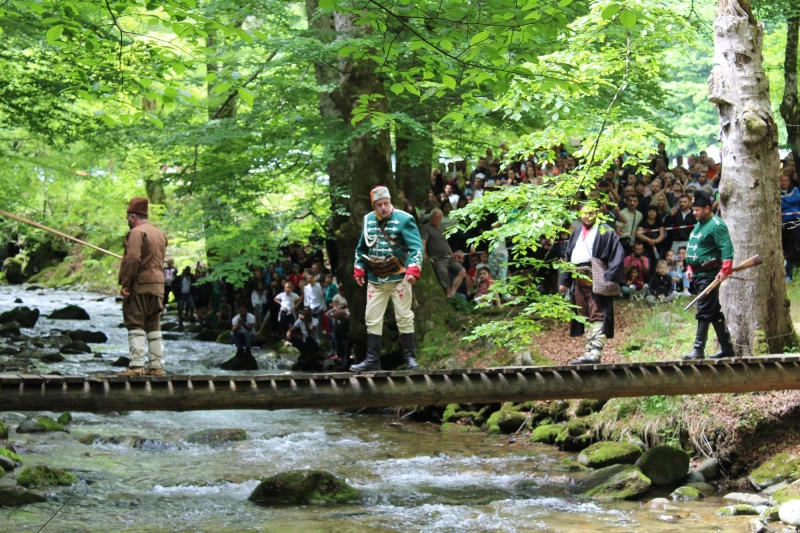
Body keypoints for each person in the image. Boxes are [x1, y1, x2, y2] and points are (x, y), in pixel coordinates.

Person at [353, 186, 424, 371]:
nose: (383, 207)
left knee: (404, 316)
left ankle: (410, 358)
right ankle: (372, 360)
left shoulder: (404, 219)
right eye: (379, 204)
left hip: (399, 276)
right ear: (374, 205)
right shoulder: (368, 220)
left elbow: (416, 248)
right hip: (376, 278)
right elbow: (361, 248)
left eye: (386, 203)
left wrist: (413, 269)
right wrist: (359, 269)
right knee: (372, 318)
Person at [559, 208, 625, 364]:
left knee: (598, 314)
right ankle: (589, 352)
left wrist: (606, 278)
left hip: (596, 276)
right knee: (584, 316)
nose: (587, 216)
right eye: (584, 213)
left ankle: (595, 352)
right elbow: (569, 257)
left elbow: (618, 255)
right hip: (578, 278)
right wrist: (565, 281)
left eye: (591, 213)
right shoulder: (576, 233)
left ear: (597, 213)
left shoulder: (606, 231)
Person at [117, 197, 168, 377]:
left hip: (140, 285)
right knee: (153, 324)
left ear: (133, 217)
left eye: (127, 217)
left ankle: (136, 366)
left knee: (135, 322)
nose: (127, 220)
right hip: (158, 287)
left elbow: (132, 259)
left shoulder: (136, 233)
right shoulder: (159, 234)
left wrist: (126, 284)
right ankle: (156, 366)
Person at [682, 190, 735, 360]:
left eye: (697, 209)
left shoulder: (716, 225)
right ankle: (727, 347)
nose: (694, 212)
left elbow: (726, 247)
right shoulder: (699, 224)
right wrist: (690, 268)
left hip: (710, 274)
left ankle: (698, 349)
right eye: (693, 209)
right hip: (699, 275)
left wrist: (725, 268)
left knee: (704, 309)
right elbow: (694, 248)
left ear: (707, 208)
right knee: (713, 311)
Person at [421, 209, 468, 298]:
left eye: (439, 218)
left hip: (449, 257)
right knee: (443, 273)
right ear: (431, 217)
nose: (438, 220)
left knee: (462, 271)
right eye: (436, 217)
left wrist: (452, 253)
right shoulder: (426, 228)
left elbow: (445, 243)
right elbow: (423, 242)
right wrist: (424, 253)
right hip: (438, 259)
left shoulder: (442, 227)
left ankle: (452, 293)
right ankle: (448, 293)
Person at [286, 306, 321, 370]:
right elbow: (291, 329)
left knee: (308, 338)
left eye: (307, 311)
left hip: (314, 344)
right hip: (305, 344)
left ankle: (308, 355)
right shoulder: (300, 320)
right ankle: (304, 353)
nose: (305, 312)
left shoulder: (315, 320)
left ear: (310, 312)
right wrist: (288, 335)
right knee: (292, 337)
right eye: (304, 311)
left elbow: (309, 332)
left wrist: (305, 322)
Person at [780, 173, 800, 281]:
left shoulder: (795, 189)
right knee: (787, 249)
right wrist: (790, 202)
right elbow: (779, 205)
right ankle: (788, 274)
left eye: (786, 180)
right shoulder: (776, 191)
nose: (784, 182)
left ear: (789, 181)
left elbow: (798, 198)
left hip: (796, 221)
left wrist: (785, 201)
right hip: (784, 223)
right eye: (781, 180)